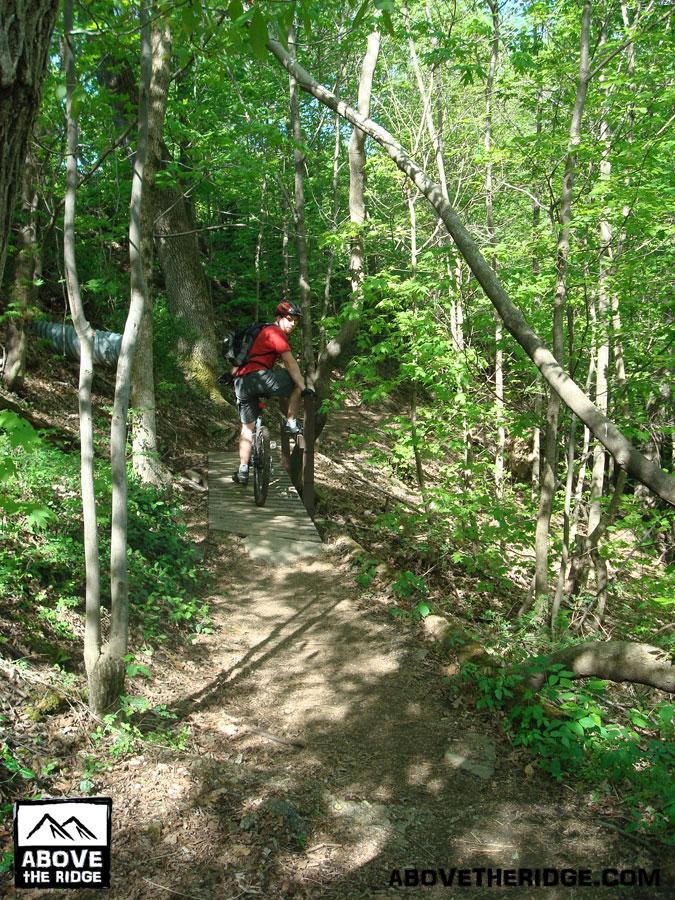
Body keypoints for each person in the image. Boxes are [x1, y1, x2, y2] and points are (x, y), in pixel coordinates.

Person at [232, 300, 312, 485]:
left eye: (296, 321)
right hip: (258, 378)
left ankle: (243, 470)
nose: (293, 324)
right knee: (295, 381)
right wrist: (303, 386)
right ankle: (291, 422)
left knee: (247, 428)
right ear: (279, 318)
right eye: (290, 319)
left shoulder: (259, 332)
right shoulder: (275, 332)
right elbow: (290, 363)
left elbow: (239, 362)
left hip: (242, 382)